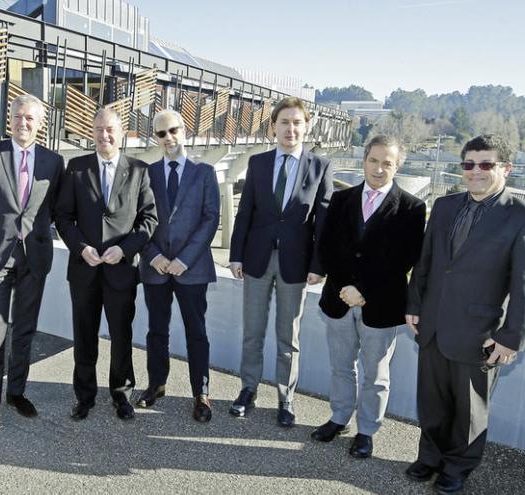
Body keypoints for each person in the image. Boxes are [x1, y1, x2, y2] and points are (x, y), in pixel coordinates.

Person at [404, 134, 525, 493]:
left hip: (480, 332)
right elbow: (427, 263)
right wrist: (414, 305)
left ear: (506, 168)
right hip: (434, 324)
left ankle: (458, 466)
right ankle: (430, 457)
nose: (475, 171)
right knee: (432, 400)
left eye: (486, 164)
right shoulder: (444, 206)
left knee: (470, 409)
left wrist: (510, 336)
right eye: (469, 164)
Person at [313, 135, 426, 458]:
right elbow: (327, 247)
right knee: (341, 367)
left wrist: (363, 290)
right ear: (364, 160)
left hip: (382, 305)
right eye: (374, 160)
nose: (379, 168)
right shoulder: (341, 199)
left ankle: (367, 430)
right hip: (338, 300)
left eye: (387, 163)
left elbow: (405, 259)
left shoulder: (412, 207)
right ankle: (339, 418)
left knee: (376, 374)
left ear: (397, 166)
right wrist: (345, 287)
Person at [228, 96, 333, 427]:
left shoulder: (320, 166)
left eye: (297, 122)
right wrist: (235, 255)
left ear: (306, 127)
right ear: (273, 127)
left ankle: (286, 398)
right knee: (253, 331)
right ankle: (248, 390)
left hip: (296, 264)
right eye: (284, 122)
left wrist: (319, 265)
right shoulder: (258, 164)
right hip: (257, 259)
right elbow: (245, 212)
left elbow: (323, 221)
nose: (291, 128)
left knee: (289, 335)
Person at [0, 94, 64, 433]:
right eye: (18, 116)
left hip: (33, 256)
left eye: (30, 118)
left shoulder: (53, 161)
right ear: (11, 119)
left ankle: (16, 392)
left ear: (40, 123)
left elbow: (52, 209)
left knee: (24, 329)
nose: (23, 123)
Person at [56, 107, 157, 421]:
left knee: (121, 336)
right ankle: (84, 397)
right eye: (98, 129)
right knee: (84, 336)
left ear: (122, 132)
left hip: (120, 270)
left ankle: (121, 395)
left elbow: (149, 219)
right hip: (84, 268)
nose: (104, 135)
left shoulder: (139, 170)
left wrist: (124, 250)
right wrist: (81, 246)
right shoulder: (75, 168)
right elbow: (63, 216)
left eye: (110, 129)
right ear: (92, 132)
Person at [135, 109, 220, 422]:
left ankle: (202, 392)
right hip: (156, 267)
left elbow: (211, 219)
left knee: (196, 332)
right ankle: (156, 384)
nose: (168, 138)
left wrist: (184, 260)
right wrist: (154, 255)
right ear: (155, 138)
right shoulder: (147, 173)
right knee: (157, 331)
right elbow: (139, 218)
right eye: (161, 133)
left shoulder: (205, 173)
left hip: (191, 268)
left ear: (184, 131)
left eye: (173, 131)